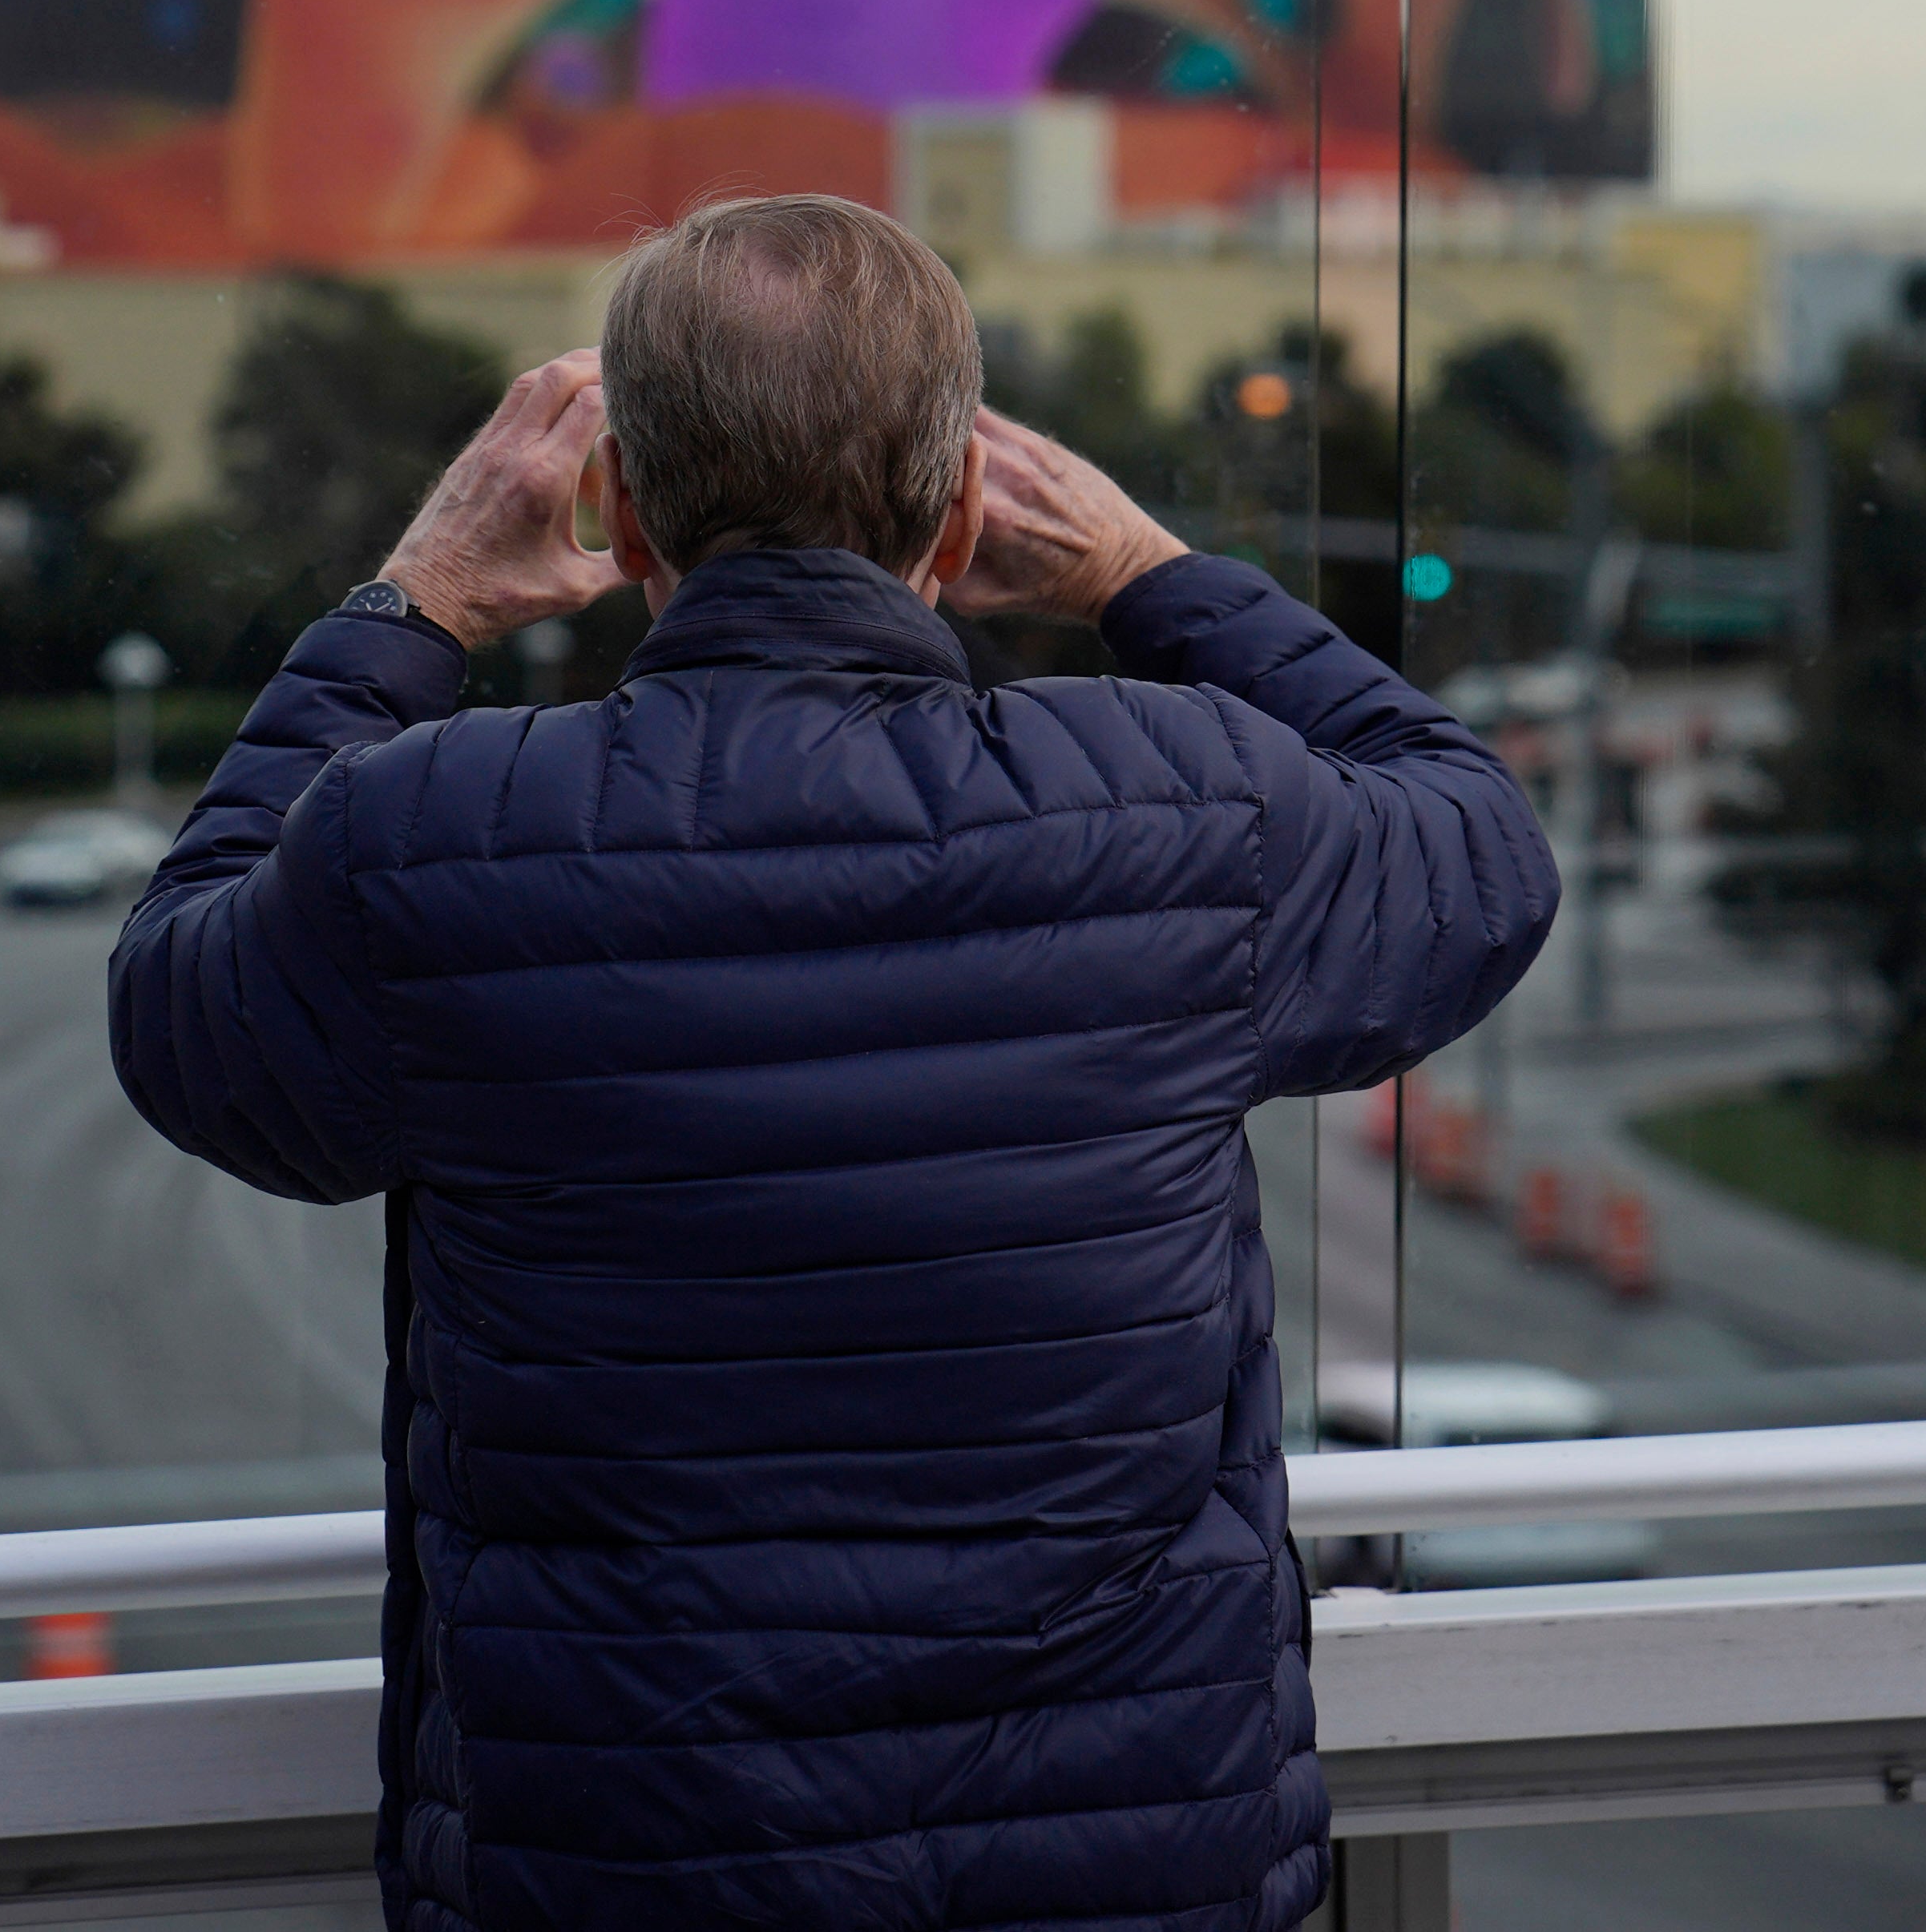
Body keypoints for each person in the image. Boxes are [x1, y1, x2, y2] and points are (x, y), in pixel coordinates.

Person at [113, 194, 1553, 1932]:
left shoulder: (434, 840)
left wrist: (406, 608)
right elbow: (1481, 848)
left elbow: (181, 1010)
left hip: (622, 1874)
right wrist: (1151, 580)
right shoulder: (1185, 806)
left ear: (624, 511)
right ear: (960, 511)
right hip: (1130, 1884)